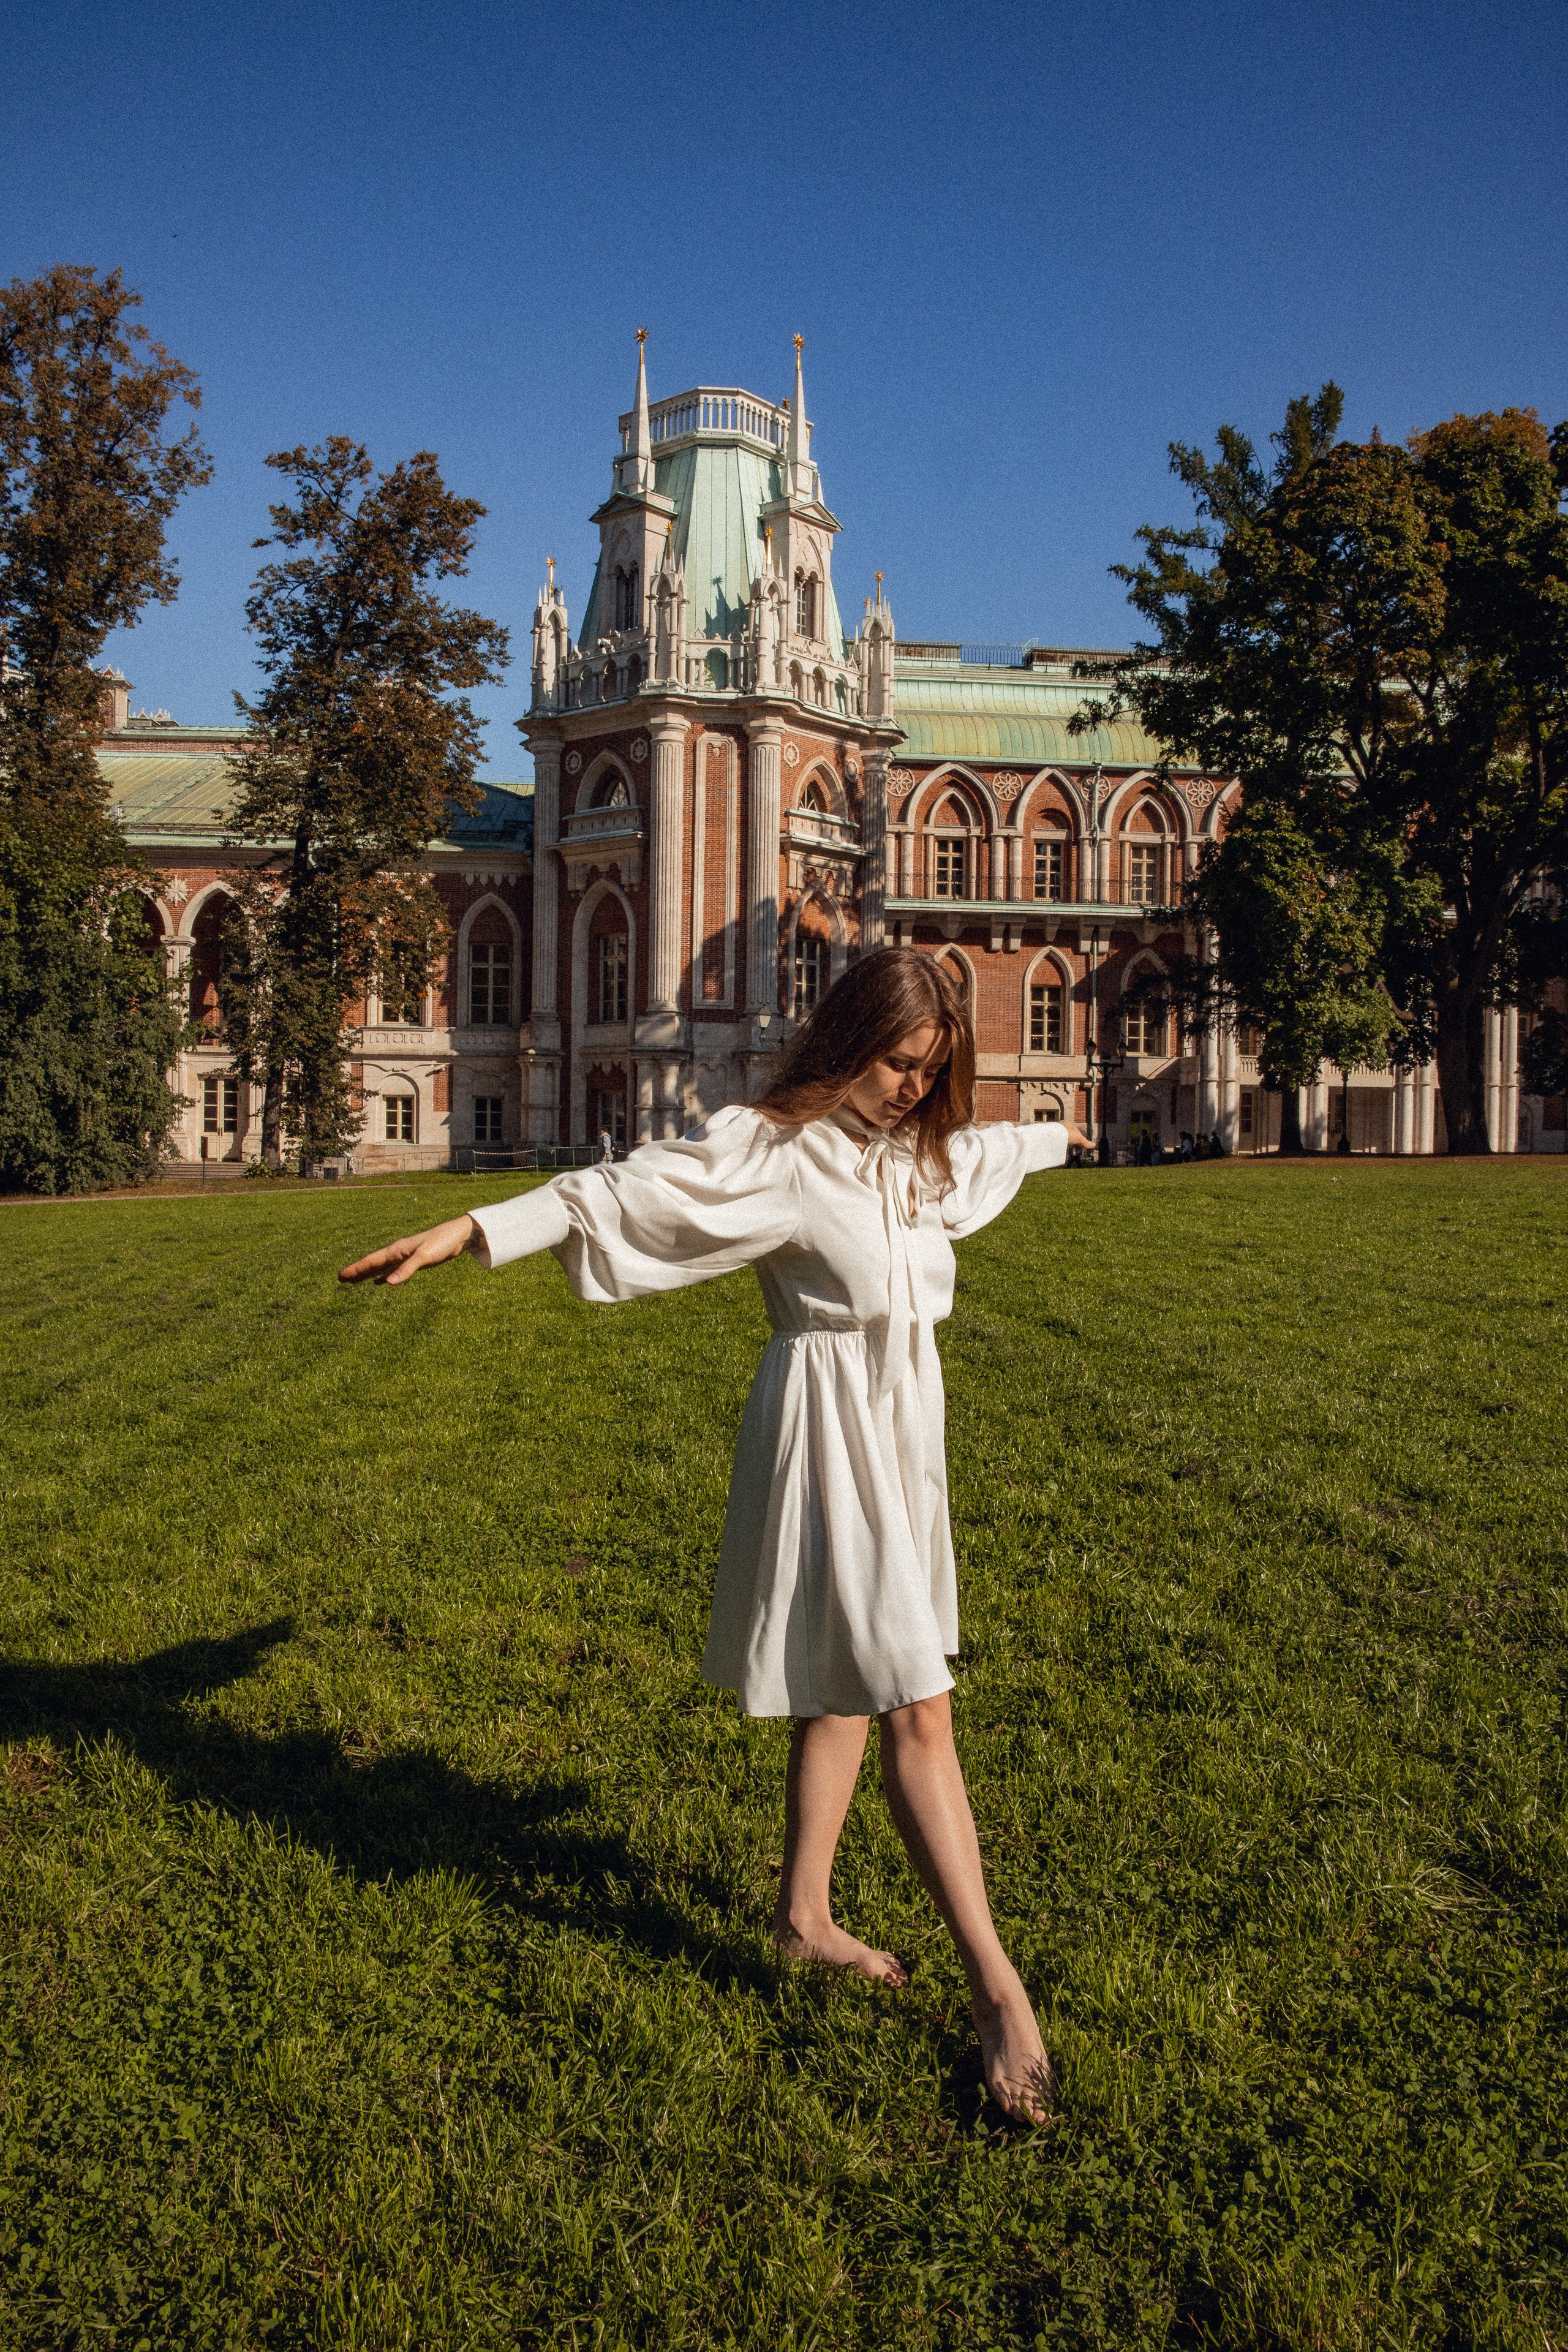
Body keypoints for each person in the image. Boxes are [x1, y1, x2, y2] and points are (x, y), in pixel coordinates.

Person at [340, 948, 1089, 2125]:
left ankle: (802, 1918)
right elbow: (627, 1191)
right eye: (898, 1063)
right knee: (918, 1703)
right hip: (828, 1432)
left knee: (850, 1683)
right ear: (850, 1044)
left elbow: (988, 1157)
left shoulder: (921, 1157)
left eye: (930, 1071)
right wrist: (478, 1226)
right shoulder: (776, 1153)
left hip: (907, 1432)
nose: (911, 1088)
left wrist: (1057, 1137)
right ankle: (1000, 1994)